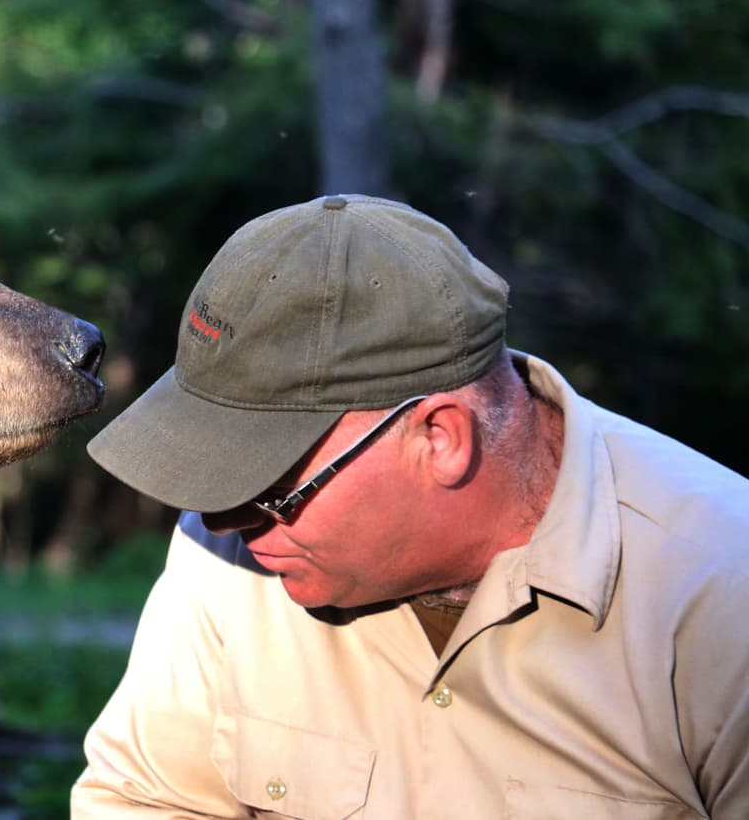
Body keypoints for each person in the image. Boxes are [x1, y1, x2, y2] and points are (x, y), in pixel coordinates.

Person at [71, 194, 749, 819]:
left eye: (271, 488)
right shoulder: (226, 554)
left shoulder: (720, 586)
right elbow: (145, 799)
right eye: (215, 476)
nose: (220, 522)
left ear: (440, 438)